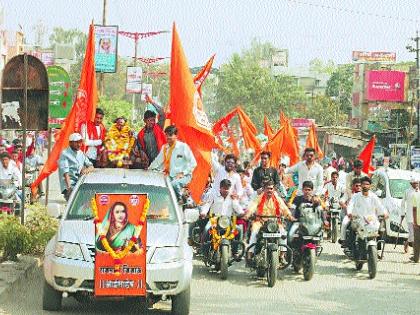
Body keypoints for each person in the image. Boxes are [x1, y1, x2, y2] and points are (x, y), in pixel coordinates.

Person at [245, 180, 295, 260]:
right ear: (264, 189)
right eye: (268, 188)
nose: (269, 190)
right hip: (260, 222)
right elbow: (253, 206)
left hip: (274, 223)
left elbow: (284, 208)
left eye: (271, 189)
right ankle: (250, 254)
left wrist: (289, 216)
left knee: (283, 234)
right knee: (254, 233)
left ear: (274, 190)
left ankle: (282, 255)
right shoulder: (259, 198)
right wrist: (248, 214)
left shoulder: (277, 198)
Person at [150, 125, 197, 202]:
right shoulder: (164, 148)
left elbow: (193, 163)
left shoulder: (183, 147)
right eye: (166, 135)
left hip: (184, 176)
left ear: (176, 136)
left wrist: (183, 173)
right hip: (170, 176)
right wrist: (149, 169)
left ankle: (182, 200)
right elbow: (157, 161)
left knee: (173, 184)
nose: (168, 137)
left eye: (170, 135)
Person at [341, 177, 389, 247]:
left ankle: (377, 249)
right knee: (351, 228)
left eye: (367, 184)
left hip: (371, 220)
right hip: (358, 219)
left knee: (380, 230)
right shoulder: (356, 196)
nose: (365, 186)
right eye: (363, 184)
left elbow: (380, 206)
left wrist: (385, 213)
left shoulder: (373, 196)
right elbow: (351, 204)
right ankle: (351, 246)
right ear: (361, 185)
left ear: (370, 186)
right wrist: (349, 213)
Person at [58, 133, 94, 201]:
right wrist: (69, 188)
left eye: (80, 142)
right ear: (70, 143)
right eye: (77, 142)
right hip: (69, 185)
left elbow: (91, 166)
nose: (79, 144)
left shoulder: (80, 153)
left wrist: (86, 170)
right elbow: (65, 173)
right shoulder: (64, 154)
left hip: (79, 184)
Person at [136, 99, 166, 167]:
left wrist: (151, 102)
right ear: (144, 121)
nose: (152, 122)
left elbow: (162, 113)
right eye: (149, 120)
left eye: (153, 120)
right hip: (149, 163)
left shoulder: (159, 127)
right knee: (137, 161)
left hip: (162, 162)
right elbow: (140, 148)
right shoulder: (140, 134)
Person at [401, 178, 420, 259]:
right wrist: (402, 213)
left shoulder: (419, 191)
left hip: (418, 216)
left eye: (417, 183)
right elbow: (402, 203)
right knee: (412, 234)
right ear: (411, 183)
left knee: (416, 235)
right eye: (414, 183)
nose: (416, 184)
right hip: (409, 216)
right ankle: (415, 252)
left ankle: (407, 243)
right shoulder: (407, 191)